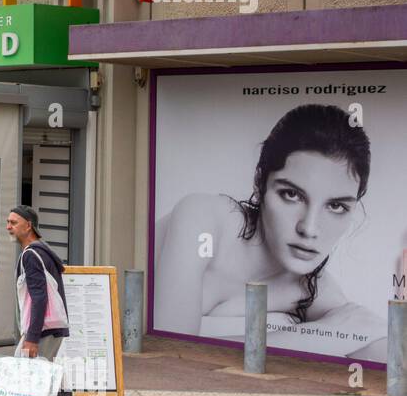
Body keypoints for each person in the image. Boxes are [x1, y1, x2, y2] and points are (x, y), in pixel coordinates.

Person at [153, 103, 382, 359]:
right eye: (292, 195)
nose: (309, 228)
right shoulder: (202, 218)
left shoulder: (314, 289)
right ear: (260, 182)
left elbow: (383, 350)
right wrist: (324, 333)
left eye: (336, 206)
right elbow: (170, 356)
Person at [5, 205, 84, 396]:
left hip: (41, 331)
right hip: (50, 329)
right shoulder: (45, 251)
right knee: (42, 384)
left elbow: (39, 298)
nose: (9, 227)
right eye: (8, 222)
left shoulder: (31, 255)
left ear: (29, 225)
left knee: (35, 386)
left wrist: (32, 337)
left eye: (14, 222)